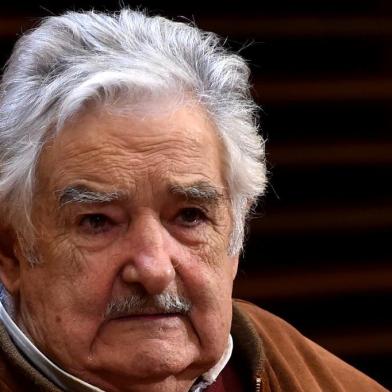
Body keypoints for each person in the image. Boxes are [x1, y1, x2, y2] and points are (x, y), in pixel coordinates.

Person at [0, 8, 387, 392]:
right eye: (98, 221)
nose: (155, 271)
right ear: (11, 250)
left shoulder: (312, 379)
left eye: (189, 216)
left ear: (234, 237)